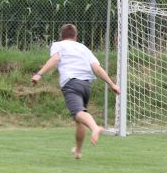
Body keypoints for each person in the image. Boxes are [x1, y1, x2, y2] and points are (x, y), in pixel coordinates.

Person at [31, 23, 121, 159]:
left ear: (61, 36)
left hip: (71, 84)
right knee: (79, 119)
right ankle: (78, 151)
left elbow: (55, 59)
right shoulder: (83, 48)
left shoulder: (58, 45)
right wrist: (112, 84)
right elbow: (96, 68)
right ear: (76, 36)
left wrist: (39, 74)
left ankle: (95, 128)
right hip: (86, 86)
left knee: (79, 113)